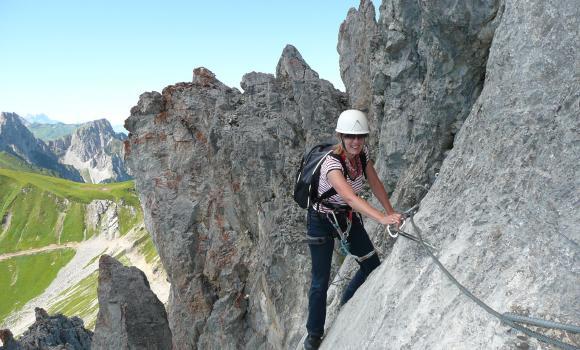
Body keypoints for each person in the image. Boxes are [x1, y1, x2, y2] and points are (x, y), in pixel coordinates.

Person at [303, 109, 402, 350]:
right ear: (340, 136)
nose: (355, 141)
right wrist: (381, 218)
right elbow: (350, 198)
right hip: (321, 220)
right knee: (320, 281)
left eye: (360, 136)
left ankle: (348, 303)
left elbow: (375, 183)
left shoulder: (362, 155)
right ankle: (313, 335)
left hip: (346, 218)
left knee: (371, 265)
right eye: (350, 136)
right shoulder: (331, 164)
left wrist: (390, 212)